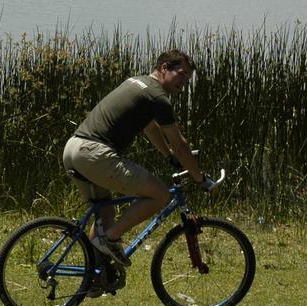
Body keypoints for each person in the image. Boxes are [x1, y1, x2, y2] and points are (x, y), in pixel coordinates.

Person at [62, 49, 210, 268]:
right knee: (159, 195)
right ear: (164, 68)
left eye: (188, 78)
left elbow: (150, 128)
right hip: (95, 154)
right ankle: (110, 240)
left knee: (105, 211)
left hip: (74, 148)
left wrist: (168, 156)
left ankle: (94, 276)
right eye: (182, 74)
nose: (184, 82)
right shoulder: (158, 97)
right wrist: (200, 179)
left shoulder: (137, 83)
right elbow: (180, 145)